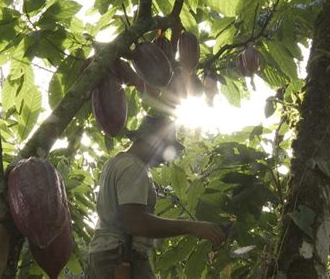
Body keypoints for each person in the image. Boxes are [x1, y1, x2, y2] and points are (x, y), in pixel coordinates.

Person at [85, 115, 226, 278]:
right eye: (165, 148)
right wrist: (193, 227)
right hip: (120, 258)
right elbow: (136, 223)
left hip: (101, 255)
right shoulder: (133, 167)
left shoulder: (114, 162)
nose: (165, 158)